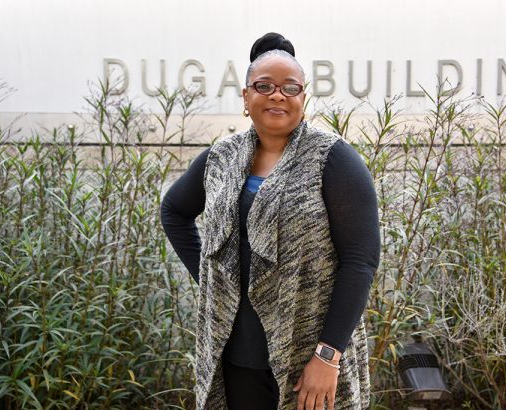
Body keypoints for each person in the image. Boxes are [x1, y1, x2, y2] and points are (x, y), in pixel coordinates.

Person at [160, 32, 380, 410]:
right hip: (236, 358)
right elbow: (174, 212)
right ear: (246, 97)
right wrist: (216, 282)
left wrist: (328, 356)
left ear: (303, 99)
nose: (277, 95)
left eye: (290, 87)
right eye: (264, 86)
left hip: (309, 357)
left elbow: (360, 261)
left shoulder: (335, 160)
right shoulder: (221, 159)